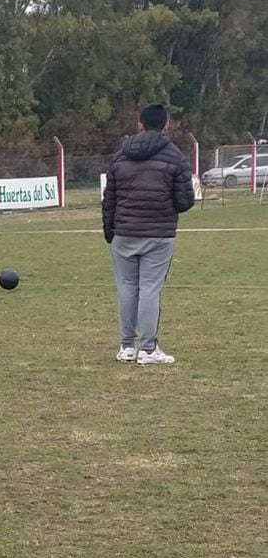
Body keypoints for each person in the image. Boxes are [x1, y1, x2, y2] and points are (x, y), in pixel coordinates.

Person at [102, 103, 194, 365]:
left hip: (124, 233)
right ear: (166, 125)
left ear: (139, 125)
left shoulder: (120, 155)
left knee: (127, 289)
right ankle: (149, 349)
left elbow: (110, 198)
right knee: (150, 289)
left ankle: (126, 346)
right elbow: (185, 200)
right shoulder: (175, 156)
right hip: (159, 234)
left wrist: (110, 230)